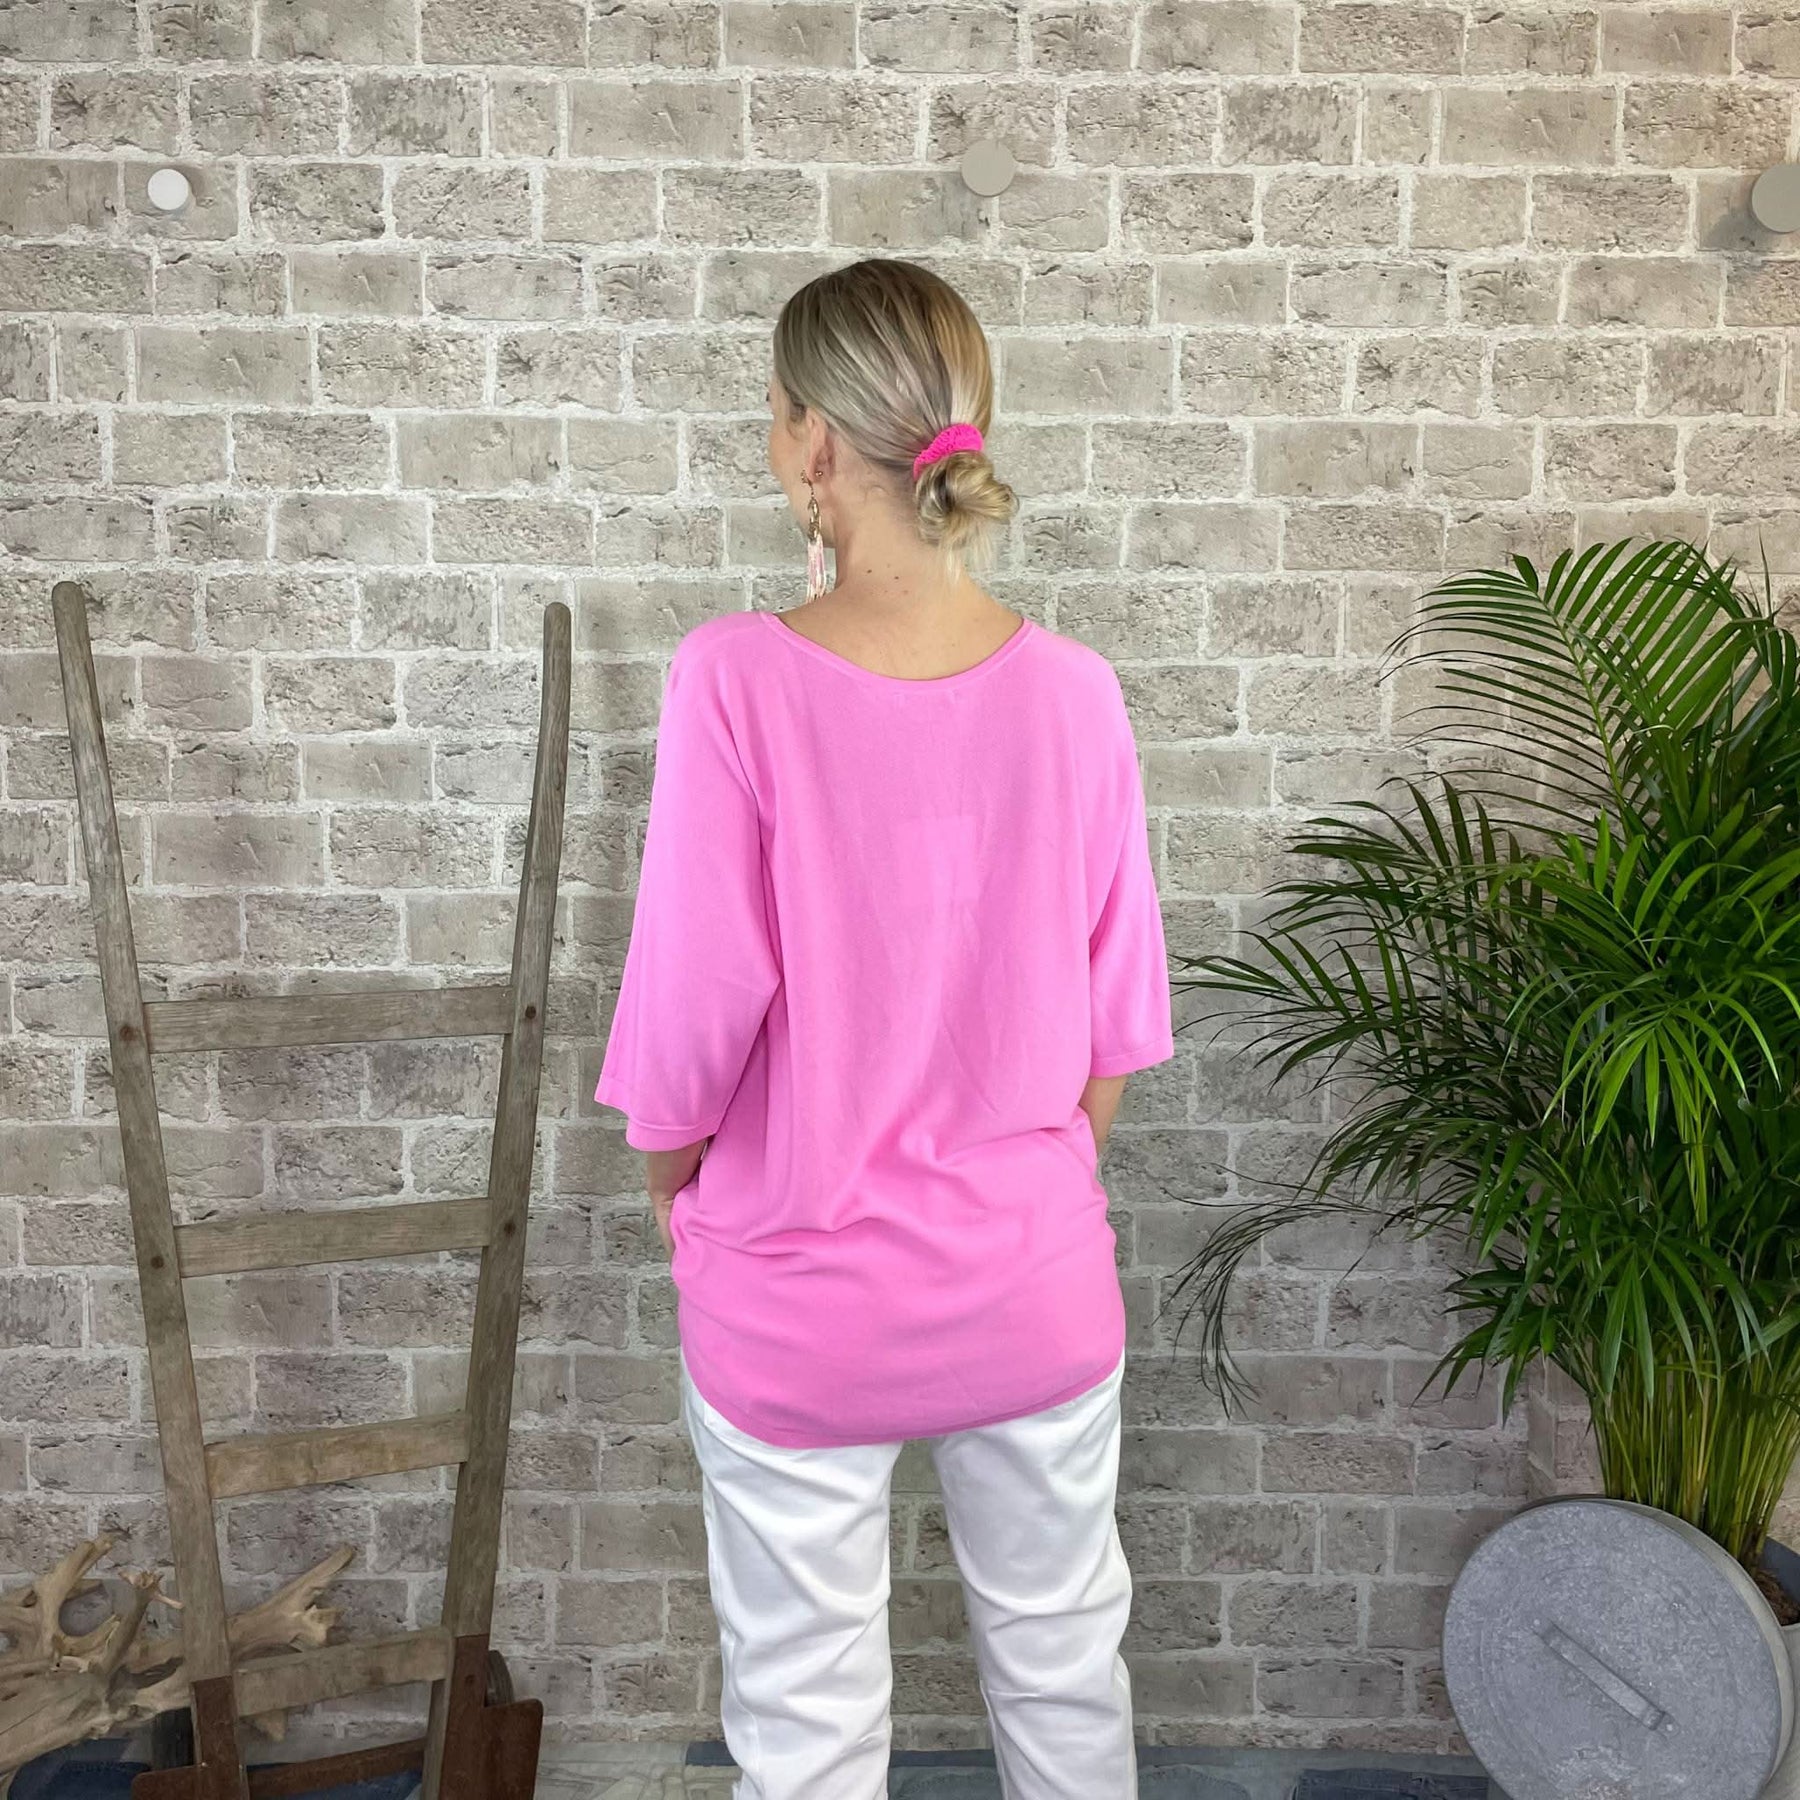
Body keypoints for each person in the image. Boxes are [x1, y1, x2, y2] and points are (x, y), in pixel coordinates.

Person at [593, 256, 1176, 1799]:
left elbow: (693, 1018)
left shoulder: (733, 678)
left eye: (774, 415)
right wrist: (1027, 1193)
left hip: (799, 1295)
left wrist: (676, 1189)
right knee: (1066, 1680)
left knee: (807, 1726)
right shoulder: (1079, 693)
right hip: (1032, 1286)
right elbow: (1114, 1030)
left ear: (810, 442)